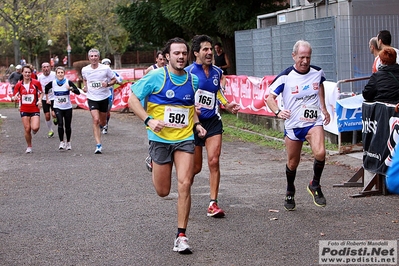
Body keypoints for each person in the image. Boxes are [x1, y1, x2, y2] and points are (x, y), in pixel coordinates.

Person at [128, 37, 206, 254]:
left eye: (184, 53)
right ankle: (153, 161)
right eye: (176, 53)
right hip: (160, 140)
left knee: (185, 183)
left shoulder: (193, 80)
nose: (181, 57)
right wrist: (149, 120)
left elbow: (189, 107)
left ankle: (181, 235)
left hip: (184, 139)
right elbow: (132, 99)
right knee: (163, 191)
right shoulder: (155, 77)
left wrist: (197, 125)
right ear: (167, 56)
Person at [266, 40, 331, 211]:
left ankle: (315, 185)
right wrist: (278, 112)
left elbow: (320, 87)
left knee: (321, 152)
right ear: (294, 56)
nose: (305, 61)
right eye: (301, 57)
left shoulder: (317, 72)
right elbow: (269, 98)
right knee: (293, 162)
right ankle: (290, 189)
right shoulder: (286, 76)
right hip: (294, 125)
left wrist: (323, 108)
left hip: (313, 122)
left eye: (308, 57)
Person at [186, 35, 240, 218]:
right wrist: (192, 110)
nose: (210, 53)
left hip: (213, 121)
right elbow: (182, 98)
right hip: (193, 123)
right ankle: (185, 194)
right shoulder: (187, 73)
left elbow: (218, 93)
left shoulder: (217, 72)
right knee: (195, 168)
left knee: (214, 160)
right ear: (196, 53)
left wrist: (227, 104)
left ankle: (213, 203)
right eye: (205, 50)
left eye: (210, 49)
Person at [81, 48, 117, 154]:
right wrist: (85, 86)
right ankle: (98, 145)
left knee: (102, 121)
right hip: (92, 98)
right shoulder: (85, 69)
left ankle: (102, 125)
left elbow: (114, 79)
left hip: (104, 97)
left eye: (95, 56)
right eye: (91, 56)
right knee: (95, 120)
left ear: (98, 57)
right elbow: (85, 79)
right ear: (88, 58)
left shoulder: (105, 68)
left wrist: (108, 84)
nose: (93, 58)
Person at [45, 66, 81, 150]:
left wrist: (71, 89)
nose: (60, 74)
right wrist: (47, 98)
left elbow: (78, 92)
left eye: (62, 73)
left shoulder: (68, 82)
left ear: (64, 74)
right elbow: (46, 88)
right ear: (56, 74)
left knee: (67, 126)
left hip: (67, 107)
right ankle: (61, 142)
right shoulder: (53, 83)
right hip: (58, 107)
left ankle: (68, 142)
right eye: (58, 73)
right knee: (60, 124)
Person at [11, 65, 43, 153]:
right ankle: (29, 146)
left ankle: (34, 131)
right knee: (27, 129)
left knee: (35, 127)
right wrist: (14, 98)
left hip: (34, 109)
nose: (27, 74)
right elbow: (15, 95)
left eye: (29, 72)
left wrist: (40, 100)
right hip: (24, 109)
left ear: (31, 73)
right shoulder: (19, 84)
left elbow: (41, 92)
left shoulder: (36, 83)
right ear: (22, 73)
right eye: (25, 72)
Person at [100, 58, 123, 134]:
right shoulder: (99, 73)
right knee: (100, 111)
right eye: (105, 64)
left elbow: (120, 80)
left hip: (109, 95)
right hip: (99, 95)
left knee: (107, 111)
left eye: (108, 64)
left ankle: (105, 125)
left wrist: (114, 81)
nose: (107, 66)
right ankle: (102, 122)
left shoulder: (113, 73)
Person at [38, 62, 57, 138]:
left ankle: (55, 118)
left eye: (47, 67)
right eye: (44, 67)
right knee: (47, 115)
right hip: (44, 98)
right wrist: (39, 99)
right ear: (42, 68)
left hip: (54, 97)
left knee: (54, 114)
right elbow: (39, 89)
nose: (46, 69)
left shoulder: (54, 75)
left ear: (50, 67)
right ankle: (50, 130)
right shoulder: (39, 77)